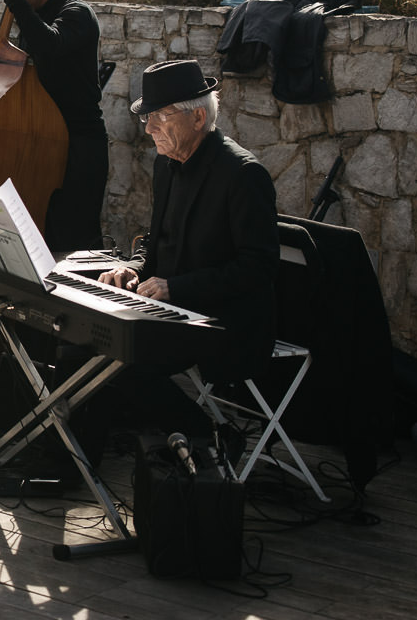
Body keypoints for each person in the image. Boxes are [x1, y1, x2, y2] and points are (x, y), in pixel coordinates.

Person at [86, 58, 279, 450]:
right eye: (147, 118)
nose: (150, 127)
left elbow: (258, 268)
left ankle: (209, 437)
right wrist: (131, 268)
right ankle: (73, 461)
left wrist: (177, 287)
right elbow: (156, 246)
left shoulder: (243, 174)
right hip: (175, 311)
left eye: (160, 116)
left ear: (196, 118)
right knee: (87, 343)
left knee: (127, 360)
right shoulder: (166, 164)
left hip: (227, 321)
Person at [0, 0, 109, 253]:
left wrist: (15, 0)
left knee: (74, 240)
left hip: (78, 147)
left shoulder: (77, 13)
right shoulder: (34, 17)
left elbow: (50, 44)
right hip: (44, 144)